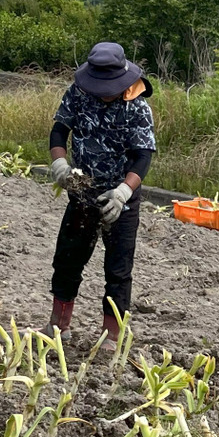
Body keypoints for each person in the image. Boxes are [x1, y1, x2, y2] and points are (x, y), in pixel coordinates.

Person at [46, 42, 157, 345]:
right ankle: (58, 325)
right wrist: (58, 161)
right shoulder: (79, 94)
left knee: (118, 269)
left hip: (121, 197)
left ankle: (112, 335)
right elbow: (60, 129)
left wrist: (123, 191)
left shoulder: (136, 104)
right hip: (83, 191)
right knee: (67, 259)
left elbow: (142, 155)